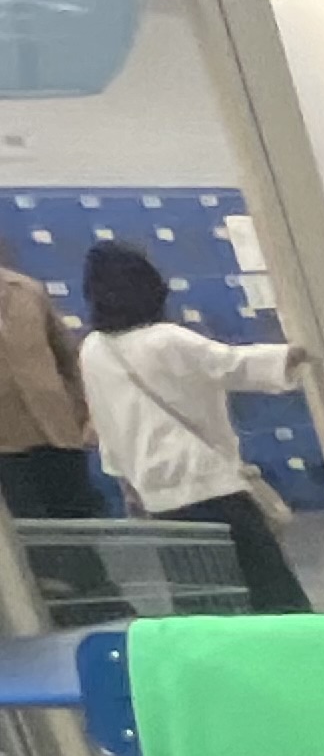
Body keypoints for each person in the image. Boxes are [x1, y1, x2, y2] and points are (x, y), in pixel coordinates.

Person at [73, 242, 308, 613]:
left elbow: (106, 420)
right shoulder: (167, 338)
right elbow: (230, 364)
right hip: (209, 483)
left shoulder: (93, 349)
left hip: (157, 495)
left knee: (200, 596)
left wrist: (127, 482)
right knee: (270, 589)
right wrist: (293, 355)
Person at [0, 261, 101, 525]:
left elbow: (67, 358)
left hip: (59, 435)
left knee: (80, 529)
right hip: (7, 448)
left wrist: (83, 412)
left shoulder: (26, 290)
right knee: (29, 537)